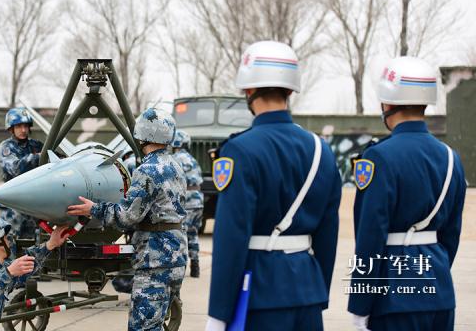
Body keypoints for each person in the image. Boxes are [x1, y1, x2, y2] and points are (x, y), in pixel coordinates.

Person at [206, 41, 341, 331]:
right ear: (291, 90)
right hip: (307, 293)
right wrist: (318, 289)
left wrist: (219, 312)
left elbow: (232, 236)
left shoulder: (239, 150)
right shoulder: (322, 150)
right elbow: (328, 234)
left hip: (259, 295)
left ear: (248, 90)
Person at [347, 56, 467, 331]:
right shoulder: (451, 158)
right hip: (439, 292)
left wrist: (360, 303)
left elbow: (370, 235)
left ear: (387, 103)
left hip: (393, 298)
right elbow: (451, 234)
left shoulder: (378, 157)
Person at [66, 107, 188, 331]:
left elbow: (125, 216)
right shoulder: (177, 167)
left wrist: (94, 209)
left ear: (143, 135)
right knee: (160, 323)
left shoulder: (147, 170)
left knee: (143, 327)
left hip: (155, 259)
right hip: (177, 255)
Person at [0, 107, 44, 239]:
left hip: (33, 205)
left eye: (25, 126)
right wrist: (38, 157)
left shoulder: (36, 145)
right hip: (13, 207)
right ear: (11, 128)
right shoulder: (6, 147)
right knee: (11, 244)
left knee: (34, 245)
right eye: (19, 126)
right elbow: (15, 169)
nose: (23, 130)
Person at [171, 129, 204, 278]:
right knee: (193, 234)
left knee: (181, 234)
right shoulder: (193, 159)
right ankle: (195, 265)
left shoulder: (175, 159)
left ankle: (181, 269)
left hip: (187, 201)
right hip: (198, 201)